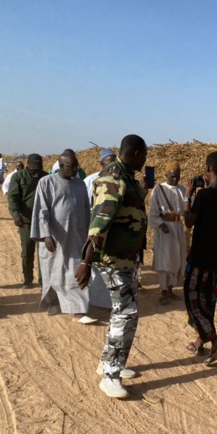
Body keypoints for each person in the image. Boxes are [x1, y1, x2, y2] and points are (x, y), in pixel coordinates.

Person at [76, 134, 149, 399]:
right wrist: (86, 260)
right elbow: (100, 219)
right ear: (137, 153)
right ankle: (110, 375)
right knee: (127, 313)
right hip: (114, 259)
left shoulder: (126, 175)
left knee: (121, 312)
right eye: (146, 154)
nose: (146, 159)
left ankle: (107, 362)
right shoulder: (113, 176)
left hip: (125, 258)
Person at [183, 151, 217, 365]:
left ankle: (215, 343)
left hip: (199, 260)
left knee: (193, 301)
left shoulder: (203, 196)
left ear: (208, 169)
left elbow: (188, 221)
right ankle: (200, 342)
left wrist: (189, 195)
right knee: (209, 302)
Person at [31, 151, 96, 324]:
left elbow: (85, 210)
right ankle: (52, 301)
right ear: (60, 166)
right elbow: (41, 211)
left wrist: (89, 235)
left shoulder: (81, 185)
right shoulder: (46, 183)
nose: (74, 170)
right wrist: (45, 235)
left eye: (76, 167)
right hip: (54, 238)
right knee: (52, 269)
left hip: (76, 236)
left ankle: (78, 311)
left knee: (74, 270)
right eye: (71, 167)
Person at [148, 162, 187, 304]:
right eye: (172, 177)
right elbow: (153, 213)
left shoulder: (182, 189)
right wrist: (161, 224)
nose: (175, 180)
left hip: (177, 227)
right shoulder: (158, 189)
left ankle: (171, 290)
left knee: (177, 259)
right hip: (164, 229)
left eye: (177, 177)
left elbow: (186, 209)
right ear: (166, 175)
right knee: (164, 261)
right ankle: (163, 292)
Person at [8, 154, 48, 288]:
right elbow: (13, 198)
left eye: (38, 168)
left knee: (44, 252)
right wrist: (16, 215)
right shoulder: (18, 177)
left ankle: (44, 281)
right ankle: (28, 278)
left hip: (43, 220)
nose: (36, 171)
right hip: (26, 220)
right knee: (27, 251)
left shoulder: (46, 177)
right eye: (33, 168)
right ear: (28, 165)